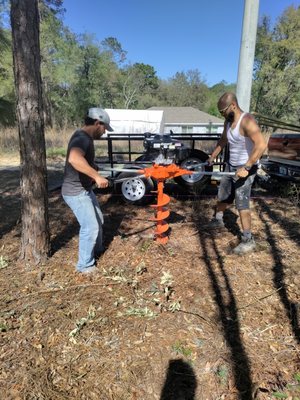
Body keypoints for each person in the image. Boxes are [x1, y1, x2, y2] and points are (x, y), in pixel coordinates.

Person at [207, 92, 266, 255]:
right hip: (231, 165)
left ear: (233, 105)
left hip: (246, 167)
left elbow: (261, 145)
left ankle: (248, 240)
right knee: (223, 194)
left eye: (223, 111)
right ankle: (218, 220)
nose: (222, 114)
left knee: (241, 202)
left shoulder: (247, 120)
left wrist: (246, 167)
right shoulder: (228, 122)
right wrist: (212, 156)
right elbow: (223, 141)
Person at [61, 108, 113, 273]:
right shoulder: (82, 138)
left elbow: (82, 160)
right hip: (75, 192)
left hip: (84, 188)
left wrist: (93, 168)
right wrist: (97, 177)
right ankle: (85, 265)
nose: (104, 132)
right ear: (97, 123)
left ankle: (96, 251)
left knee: (98, 220)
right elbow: (75, 159)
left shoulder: (83, 136)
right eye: (104, 128)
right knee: (90, 226)